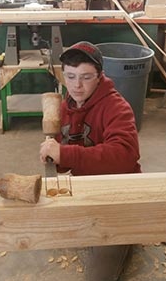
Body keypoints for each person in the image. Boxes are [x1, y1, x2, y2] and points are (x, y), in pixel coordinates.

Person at [39, 41, 141, 281]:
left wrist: (66, 154)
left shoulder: (117, 108)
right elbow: (66, 159)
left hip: (120, 194)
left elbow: (124, 157)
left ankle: (131, 234)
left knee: (99, 276)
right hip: (87, 190)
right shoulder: (64, 106)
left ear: (99, 76)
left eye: (86, 77)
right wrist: (54, 156)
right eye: (71, 76)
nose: (77, 85)